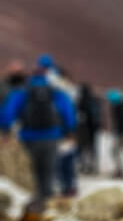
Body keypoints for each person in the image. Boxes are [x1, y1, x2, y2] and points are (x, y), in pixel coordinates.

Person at [0, 57, 77, 204]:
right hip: (52, 137)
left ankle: (33, 205)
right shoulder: (55, 91)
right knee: (48, 172)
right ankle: (46, 205)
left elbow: (8, 112)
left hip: (28, 138)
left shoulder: (23, 91)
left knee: (32, 174)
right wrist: (69, 131)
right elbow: (68, 112)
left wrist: (5, 130)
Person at [75, 83, 103, 175]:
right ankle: (94, 166)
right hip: (94, 129)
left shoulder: (81, 100)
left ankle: (85, 166)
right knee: (93, 148)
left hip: (84, 129)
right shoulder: (95, 100)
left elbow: (78, 114)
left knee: (83, 148)